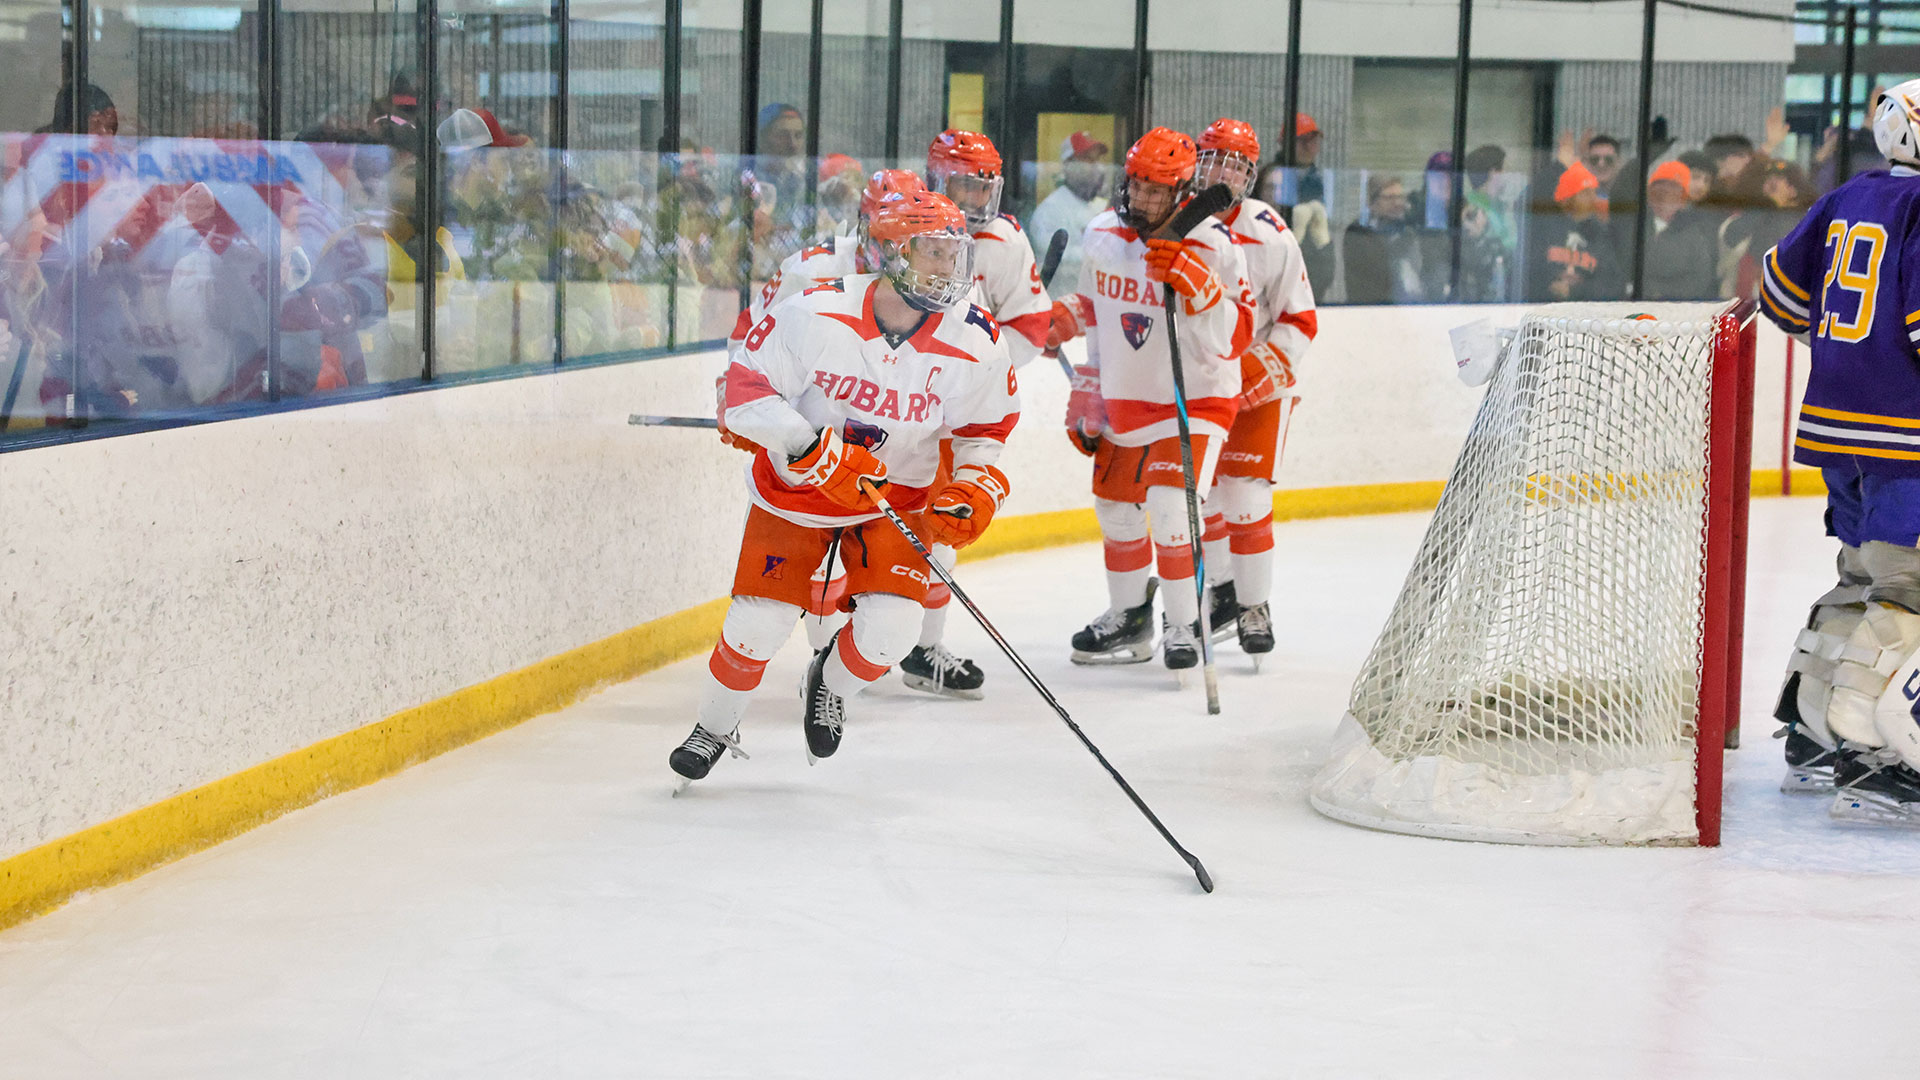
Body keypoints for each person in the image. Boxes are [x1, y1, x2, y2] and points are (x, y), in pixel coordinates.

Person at [671, 190, 1020, 784]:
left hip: (896, 498)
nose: (945, 267)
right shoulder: (813, 311)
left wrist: (977, 486)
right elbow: (742, 390)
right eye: (930, 251)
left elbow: (985, 433)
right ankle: (716, 724)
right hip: (798, 493)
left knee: (890, 635)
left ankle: (827, 680)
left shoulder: (976, 338)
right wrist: (811, 449)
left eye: (952, 253)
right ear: (889, 252)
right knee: (757, 626)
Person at [1759, 76, 1920, 822]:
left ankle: (1814, 736)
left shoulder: (1849, 196)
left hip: (1836, 427)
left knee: (1861, 576)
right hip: (1906, 438)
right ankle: (1877, 757)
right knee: (1907, 588)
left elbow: (1780, 296)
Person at [1053, 126, 1253, 671]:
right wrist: (1070, 334)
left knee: (1170, 510)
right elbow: (1097, 310)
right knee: (1116, 512)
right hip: (1126, 395)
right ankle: (1130, 620)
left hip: (1198, 398)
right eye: (1136, 185)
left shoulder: (1212, 243)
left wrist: (1201, 288)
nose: (1140, 198)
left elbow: (1238, 337)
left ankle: (1185, 626)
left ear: (1183, 192)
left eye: (1155, 190)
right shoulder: (1101, 233)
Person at [1188, 118, 1318, 661]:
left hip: (1258, 388)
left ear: (1251, 174)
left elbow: (1300, 318)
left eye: (1236, 165)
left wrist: (1261, 368)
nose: (1223, 173)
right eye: (1214, 159)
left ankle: (1254, 604)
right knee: (1202, 501)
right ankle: (1221, 593)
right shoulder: (1178, 223)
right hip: (1200, 383)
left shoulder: (1270, 230)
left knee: (1246, 498)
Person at [1256, 113, 1334, 300]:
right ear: (1286, 144)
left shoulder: (1317, 181)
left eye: (1313, 140)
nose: (1309, 147)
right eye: (1302, 141)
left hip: (1311, 279)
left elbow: (1325, 272)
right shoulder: (1272, 175)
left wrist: (1322, 241)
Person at [1028, 132, 1110, 296]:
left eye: (1096, 160)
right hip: (1059, 307)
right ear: (1068, 165)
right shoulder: (1049, 210)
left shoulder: (1101, 207)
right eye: (1087, 160)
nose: (1096, 167)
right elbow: (1055, 259)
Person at [1526, 162, 1622, 301]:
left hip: (1585, 316)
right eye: (1585, 193)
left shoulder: (1602, 234)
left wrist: (1575, 291)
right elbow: (1527, 275)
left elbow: (1612, 285)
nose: (1593, 199)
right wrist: (1550, 287)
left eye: (1594, 193)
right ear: (1567, 199)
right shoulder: (1544, 230)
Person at [1638, 160, 1718, 300]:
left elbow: (1700, 279)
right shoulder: (1635, 227)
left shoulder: (1694, 235)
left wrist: (1659, 291)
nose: (1665, 196)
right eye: (1659, 189)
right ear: (1649, 193)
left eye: (1674, 190)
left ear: (1683, 200)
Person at [1343, 175, 1426, 304]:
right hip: (1372, 308)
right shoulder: (1358, 231)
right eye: (1389, 198)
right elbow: (1373, 274)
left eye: (1400, 197)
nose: (1398, 203)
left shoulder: (1409, 230)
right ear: (1372, 203)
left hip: (1413, 309)